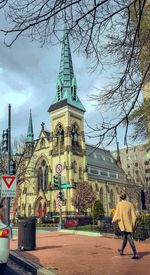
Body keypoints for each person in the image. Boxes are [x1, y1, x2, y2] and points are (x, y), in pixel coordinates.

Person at [112, 193, 139, 259]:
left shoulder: (119, 204)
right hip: (129, 224)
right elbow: (134, 216)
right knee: (125, 237)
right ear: (125, 198)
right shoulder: (130, 204)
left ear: (121, 198)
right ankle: (121, 250)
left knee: (129, 237)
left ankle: (135, 253)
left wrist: (113, 220)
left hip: (123, 224)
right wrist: (134, 223)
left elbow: (117, 214)